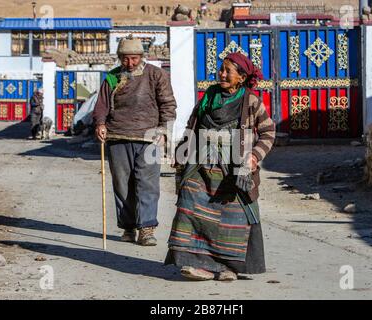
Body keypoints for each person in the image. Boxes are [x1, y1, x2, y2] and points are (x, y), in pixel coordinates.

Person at [165, 52, 275, 281]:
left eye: (228, 71)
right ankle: (195, 262)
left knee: (231, 215)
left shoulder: (250, 101)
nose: (222, 74)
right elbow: (193, 125)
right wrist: (182, 149)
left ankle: (228, 268)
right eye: (221, 69)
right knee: (189, 198)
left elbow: (267, 132)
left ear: (242, 78)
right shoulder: (209, 96)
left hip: (234, 168)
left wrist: (254, 156)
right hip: (202, 163)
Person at [93, 37, 177, 246]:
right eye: (125, 59)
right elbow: (101, 106)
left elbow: (167, 104)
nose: (129, 63)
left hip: (150, 138)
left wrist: (164, 131)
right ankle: (129, 227)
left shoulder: (156, 75)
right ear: (119, 58)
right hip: (118, 136)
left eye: (134, 58)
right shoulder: (112, 78)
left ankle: (147, 228)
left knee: (148, 184)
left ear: (141, 57)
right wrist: (100, 124)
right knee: (122, 185)